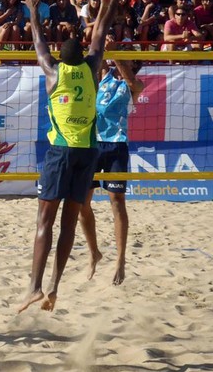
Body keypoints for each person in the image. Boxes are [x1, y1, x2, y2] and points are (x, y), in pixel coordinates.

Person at [16, 0, 125, 314]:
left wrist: (33, 10)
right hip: (87, 153)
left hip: (61, 152)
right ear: (84, 58)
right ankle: (54, 287)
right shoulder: (93, 68)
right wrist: (110, 2)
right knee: (68, 224)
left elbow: (38, 41)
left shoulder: (53, 72)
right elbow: (101, 35)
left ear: (61, 59)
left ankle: (34, 288)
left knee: (44, 222)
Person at [79, 40, 144, 286]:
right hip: (93, 144)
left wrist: (117, 52)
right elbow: (98, 60)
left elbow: (129, 80)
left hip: (117, 146)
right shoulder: (104, 77)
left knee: (117, 202)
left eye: (126, 58)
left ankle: (120, 260)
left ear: (133, 63)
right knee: (81, 203)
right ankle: (94, 252)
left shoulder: (135, 84)